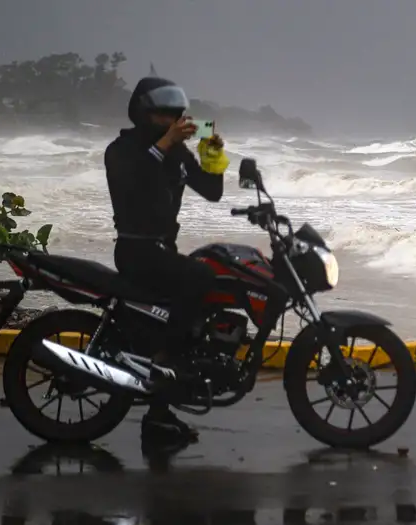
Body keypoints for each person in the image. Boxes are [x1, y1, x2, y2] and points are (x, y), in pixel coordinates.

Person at [104, 76, 231, 442]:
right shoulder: (122, 150)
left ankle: (163, 403)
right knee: (200, 277)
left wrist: (211, 156)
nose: (173, 122)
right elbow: (139, 181)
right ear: (143, 114)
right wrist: (166, 144)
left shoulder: (175, 153)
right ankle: (165, 366)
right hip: (136, 250)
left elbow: (211, 192)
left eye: (177, 115)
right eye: (164, 115)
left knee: (211, 277)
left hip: (162, 249)